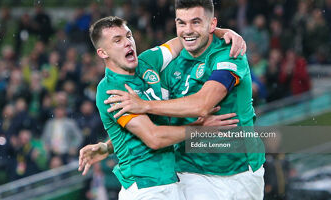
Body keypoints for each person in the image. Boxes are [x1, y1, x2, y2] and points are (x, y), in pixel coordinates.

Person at [105, 0, 265, 199]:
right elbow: (153, 125)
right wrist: (109, 146)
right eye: (182, 23)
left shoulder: (229, 54)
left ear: (212, 24)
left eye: (196, 22)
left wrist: (145, 105)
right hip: (189, 172)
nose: (187, 30)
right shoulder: (170, 65)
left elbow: (203, 105)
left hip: (241, 170)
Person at [78, 16, 243, 200]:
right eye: (117, 40)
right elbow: (153, 138)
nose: (128, 43)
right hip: (144, 188)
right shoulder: (111, 89)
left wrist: (223, 32)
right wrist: (200, 130)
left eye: (128, 36)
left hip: (170, 182)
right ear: (103, 53)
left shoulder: (148, 61)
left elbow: (186, 39)